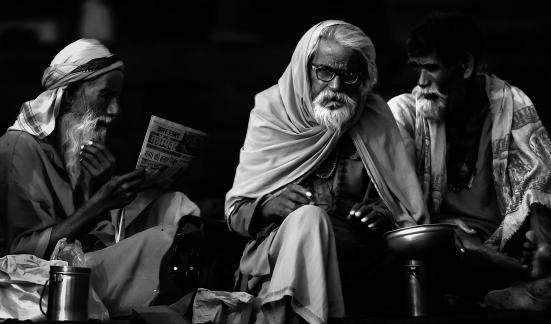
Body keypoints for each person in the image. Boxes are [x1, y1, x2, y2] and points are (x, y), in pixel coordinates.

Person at [225, 20, 428, 323]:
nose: (335, 87)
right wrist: (268, 206)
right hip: (281, 266)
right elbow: (235, 214)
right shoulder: (271, 112)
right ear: (304, 71)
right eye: (324, 72)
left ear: (364, 80)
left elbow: (403, 209)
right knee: (309, 218)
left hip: (358, 263)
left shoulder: (374, 116)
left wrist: (379, 216)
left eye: (349, 74)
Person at [0, 39, 200, 317]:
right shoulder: (18, 147)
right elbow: (22, 254)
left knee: (176, 206)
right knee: (164, 242)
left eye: (117, 98)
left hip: (87, 258)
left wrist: (111, 186)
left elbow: (99, 232)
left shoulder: (76, 143)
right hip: (47, 284)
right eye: (105, 96)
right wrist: (100, 202)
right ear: (69, 95)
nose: (115, 110)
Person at [387, 11, 551, 306]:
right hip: (443, 242)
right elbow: (399, 204)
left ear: (465, 66)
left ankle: (517, 278)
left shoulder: (510, 103)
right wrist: (452, 232)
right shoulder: (404, 112)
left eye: (431, 68)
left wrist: (541, 240)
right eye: (417, 68)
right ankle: (508, 286)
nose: (421, 81)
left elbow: (538, 180)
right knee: (428, 248)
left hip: (504, 239)